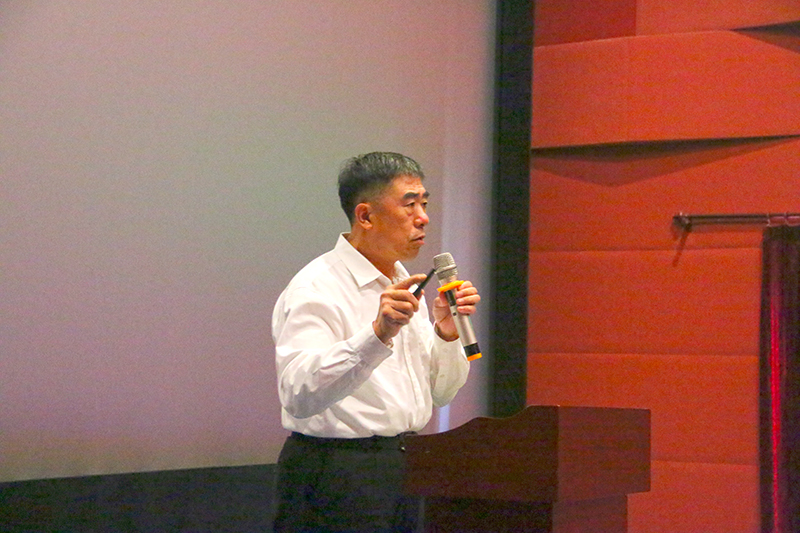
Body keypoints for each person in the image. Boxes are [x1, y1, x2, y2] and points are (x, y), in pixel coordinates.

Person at [271, 152, 481, 532]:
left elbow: (441, 393)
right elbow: (298, 394)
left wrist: (446, 333)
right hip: (337, 471)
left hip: (403, 464)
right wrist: (377, 334)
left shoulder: (404, 283)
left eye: (425, 203)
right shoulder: (316, 287)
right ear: (365, 216)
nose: (423, 217)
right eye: (409, 204)